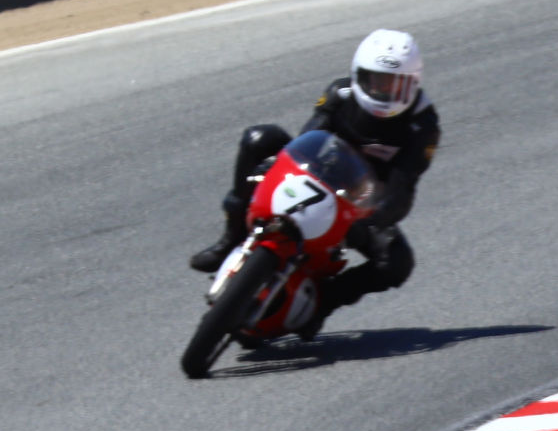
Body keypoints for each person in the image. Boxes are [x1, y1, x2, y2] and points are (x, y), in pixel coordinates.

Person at [188, 29, 440, 330]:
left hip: (358, 206)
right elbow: (310, 134)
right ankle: (231, 237)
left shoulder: (422, 125)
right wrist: (274, 163)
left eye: (395, 84)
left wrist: (377, 216)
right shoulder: (339, 93)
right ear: (359, 75)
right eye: (376, 80)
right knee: (259, 138)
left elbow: (403, 187)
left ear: (413, 83)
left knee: (398, 263)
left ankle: (323, 301)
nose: (383, 91)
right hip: (314, 174)